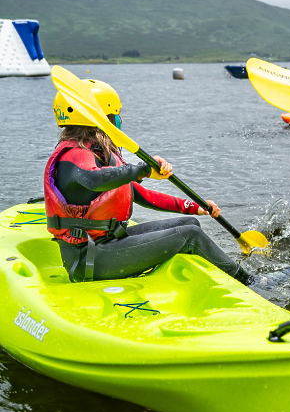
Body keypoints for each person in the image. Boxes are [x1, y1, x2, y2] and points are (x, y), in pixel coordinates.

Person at [45, 79, 254, 285]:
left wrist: (194, 207)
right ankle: (250, 282)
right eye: (116, 114)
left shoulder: (96, 154)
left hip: (109, 242)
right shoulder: (73, 156)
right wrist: (143, 170)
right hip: (90, 258)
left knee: (190, 223)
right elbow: (94, 180)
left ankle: (210, 279)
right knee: (190, 235)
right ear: (103, 118)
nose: (120, 118)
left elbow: (140, 195)